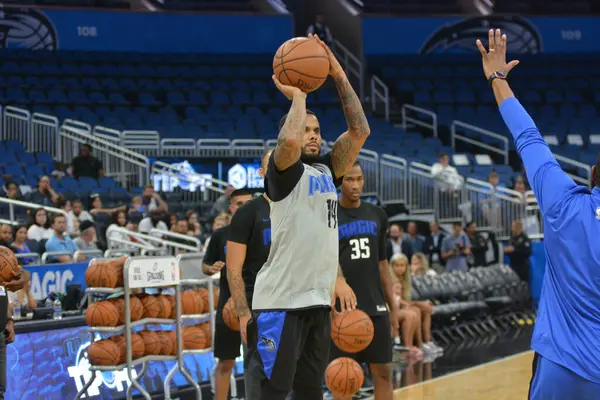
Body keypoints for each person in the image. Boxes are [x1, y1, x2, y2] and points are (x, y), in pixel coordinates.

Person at [245, 33, 370, 400]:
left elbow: (360, 130)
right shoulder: (283, 173)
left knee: (309, 394)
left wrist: (337, 74)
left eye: (317, 131)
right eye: (307, 130)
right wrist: (299, 96)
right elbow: (286, 144)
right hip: (280, 304)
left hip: (316, 302)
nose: (313, 135)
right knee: (271, 393)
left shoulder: (327, 171)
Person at [476, 28, 600, 398]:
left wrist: (497, 78)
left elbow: (528, 136)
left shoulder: (563, 201)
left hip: (560, 367)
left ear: (592, 176)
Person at [330, 161, 399, 400]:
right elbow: (325, 260)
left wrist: (394, 307)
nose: (355, 185)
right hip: (344, 309)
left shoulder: (377, 214)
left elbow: (383, 264)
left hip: (375, 306)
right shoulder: (329, 215)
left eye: (359, 179)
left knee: (383, 373)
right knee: (344, 377)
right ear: (340, 182)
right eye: (349, 179)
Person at [227, 149, 274, 400]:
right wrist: (244, 313)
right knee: (257, 377)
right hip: (259, 305)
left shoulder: (300, 209)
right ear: (262, 172)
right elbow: (233, 269)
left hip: (295, 303)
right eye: (273, 164)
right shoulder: (248, 212)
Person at [202, 189, 254, 400]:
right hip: (229, 305)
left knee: (263, 362)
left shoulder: (263, 232)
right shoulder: (220, 235)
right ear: (231, 207)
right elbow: (204, 265)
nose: (243, 207)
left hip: (258, 303)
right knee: (226, 362)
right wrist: (211, 268)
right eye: (238, 203)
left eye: (247, 203)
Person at [390, 253, 443, 355]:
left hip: (401, 307)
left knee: (422, 309)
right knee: (412, 313)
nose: (400, 268)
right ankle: (409, 347)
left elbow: (405, 300)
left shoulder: (406, 279)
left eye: (402, 265)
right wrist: (416, 304)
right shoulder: (390, 281)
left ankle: (423, 343)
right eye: (397, 266)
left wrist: (418, 303)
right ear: (392, 267)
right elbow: (395, 301)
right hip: (392, 309)